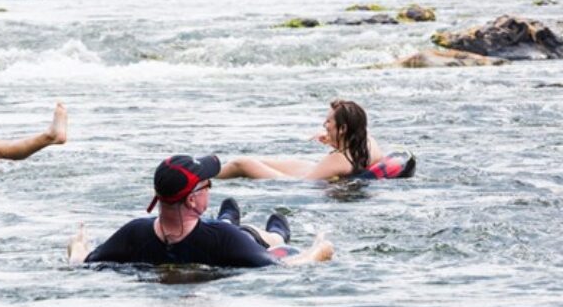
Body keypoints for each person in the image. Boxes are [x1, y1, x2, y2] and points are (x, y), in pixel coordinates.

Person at [67, 154, 334, 268]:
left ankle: (233, 215)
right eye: (207, 185)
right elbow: (285, 267)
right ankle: (276, 229)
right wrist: (319, 251)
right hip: (239, 238)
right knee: (264, 236)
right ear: (193, 200)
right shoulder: (225, 238)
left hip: (214, 230)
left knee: (229, 224)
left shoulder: (133, 234)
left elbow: (81, 263)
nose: (210, 188)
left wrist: (77, 245)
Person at [216, 100, 384, 181]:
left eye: (329, 122)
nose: (324, 125)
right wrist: (334, 140)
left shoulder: (337, 160)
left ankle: (206, 177)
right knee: (259, 161)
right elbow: (350, 154)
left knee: (242, 163)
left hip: (298, 181)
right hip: (315, 169)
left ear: (343, 129)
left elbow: (303, 185)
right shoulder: (369, 143)